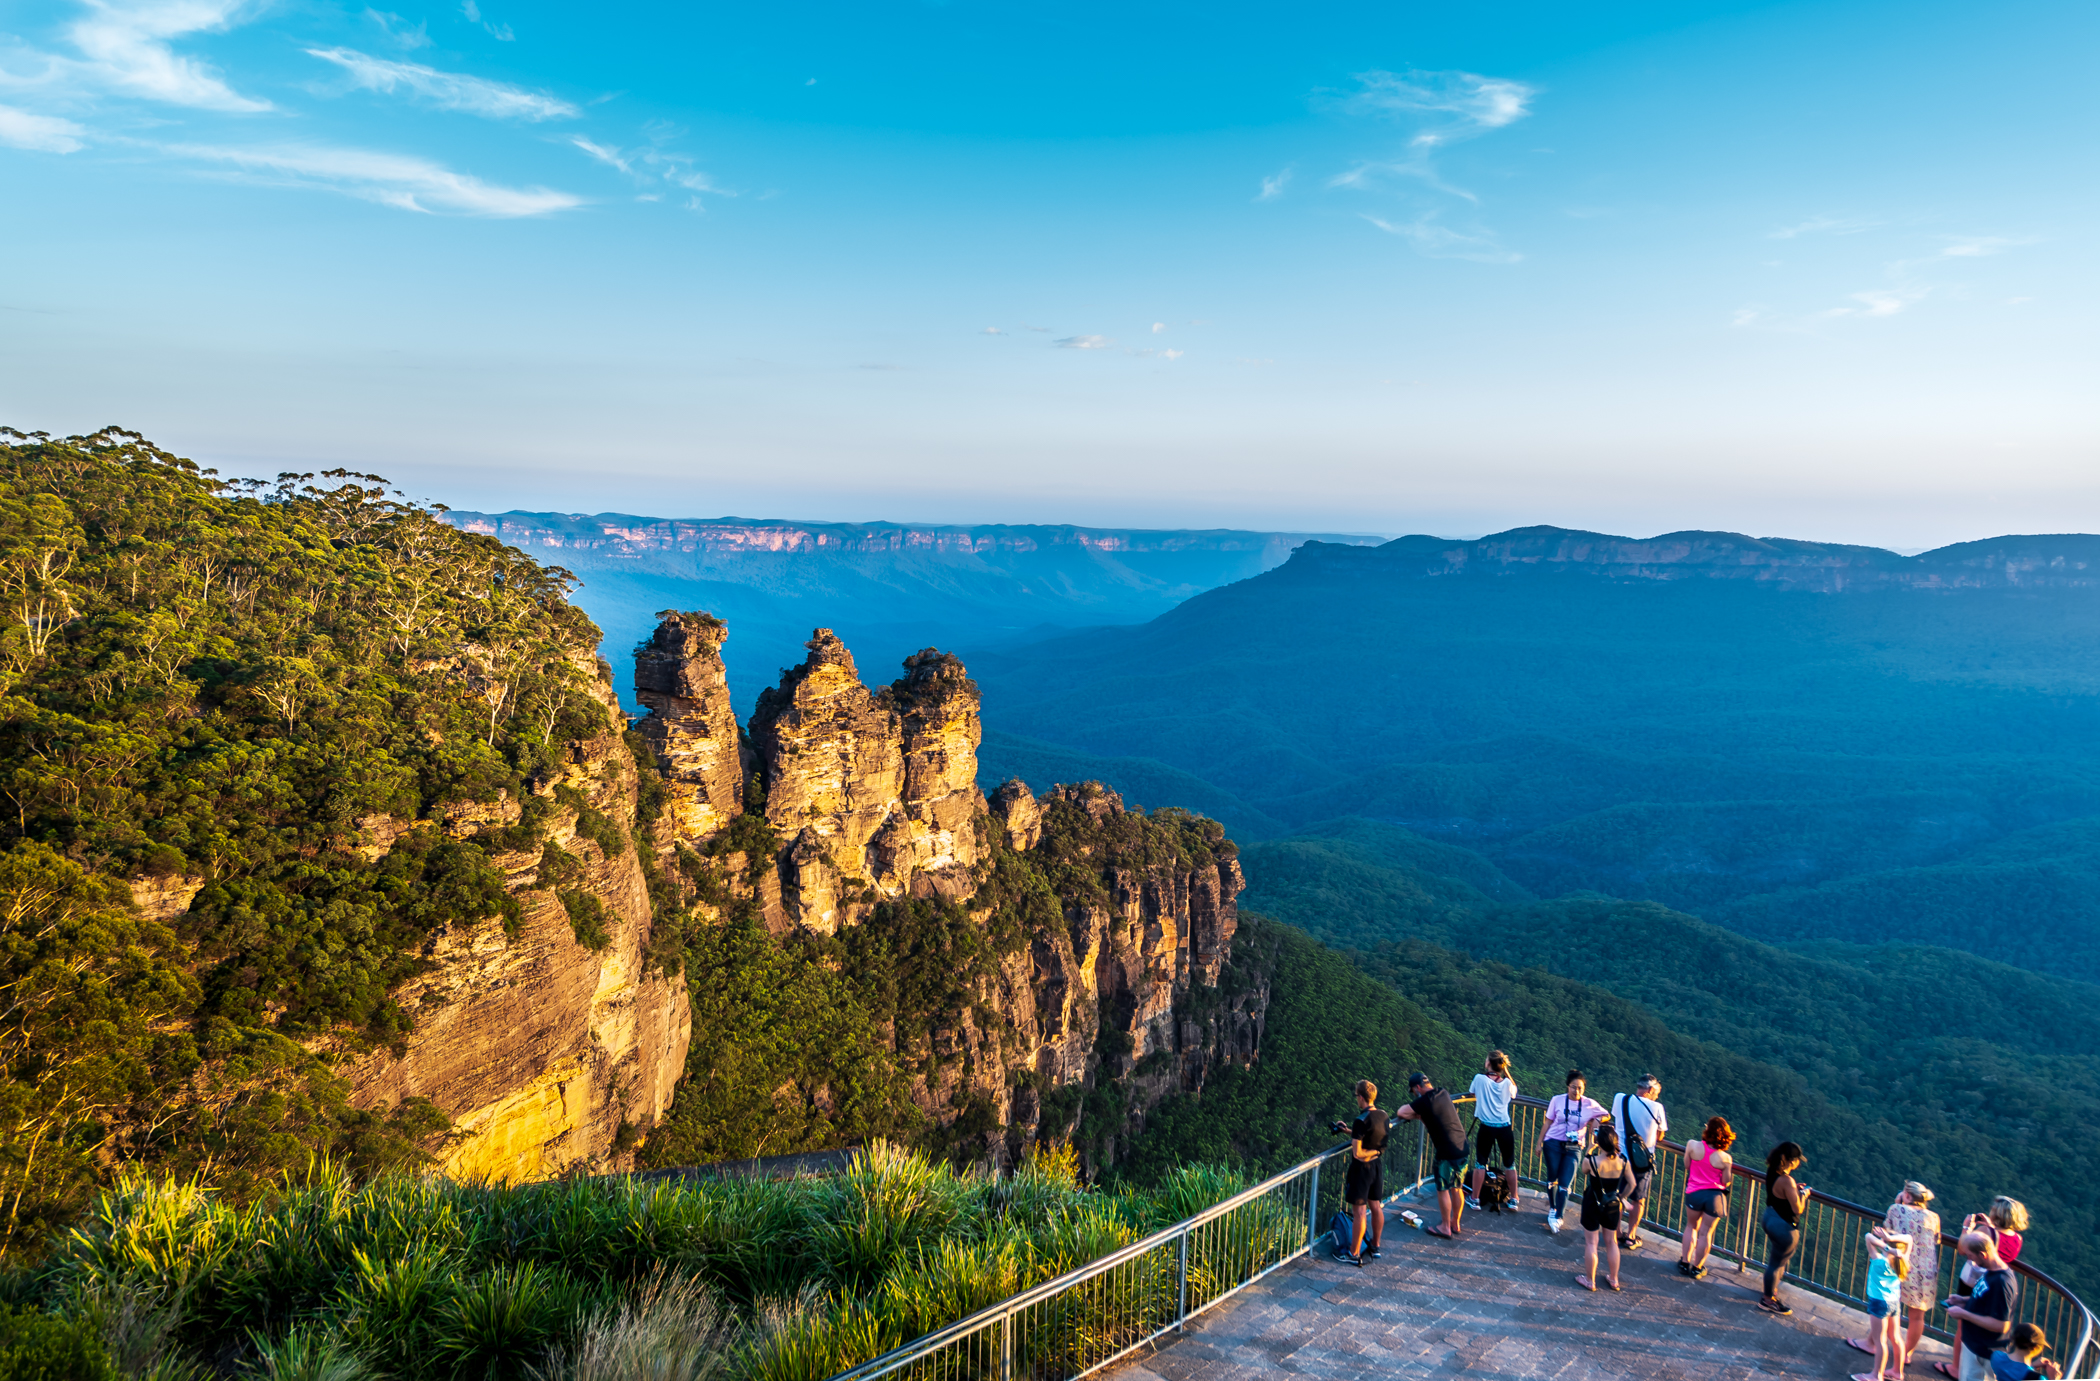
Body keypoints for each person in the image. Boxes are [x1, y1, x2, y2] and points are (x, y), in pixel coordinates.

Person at [1397, 1071, 1470, 1239]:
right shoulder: (1443, 1092)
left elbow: (1401, 1112)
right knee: (1457, 1188)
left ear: (1417, 1087)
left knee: (1443, 1189)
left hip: (1446, 1151)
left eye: (1413, 1091)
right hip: (1462, 1146)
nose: (1414, 1094)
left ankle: (1445, 1227)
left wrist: (1418, 1115)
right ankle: (1455, 1223)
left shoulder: (1425, 1101)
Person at [1943, 1230, 2018, 1381]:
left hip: (1984, 1354)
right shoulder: (1991, 1271)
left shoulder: (2002, 1283)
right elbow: (1986, 1299)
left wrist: (1964, 1314)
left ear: (1983, 1255)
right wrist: (1963, 1300)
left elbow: (2002, 1325)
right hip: (1973, 1346)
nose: (1970, 1260)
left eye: (1971, 1256)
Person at [1538, 1069, 1606, 1235]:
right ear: (1568, 1086)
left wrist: (1597, 1119)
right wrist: (1539, 1143)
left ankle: (1558, 1215)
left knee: (1564, 1183)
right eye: (1573, 1087)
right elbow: (1548, 1122)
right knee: (1552, 1178)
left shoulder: (1589, 1103)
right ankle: (1553, 1208)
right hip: (1553, 1142)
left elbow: (1606, 1114)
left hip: (1574, 1147)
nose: (1576, 1091)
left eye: (1580, 1088)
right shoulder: (1557, 1100)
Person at [1332, 1079, 1388, 1267]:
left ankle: (1354, 1253)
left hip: (1362, 1170)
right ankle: (1375, 1246)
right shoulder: (1383, 1116)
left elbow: (1358, 1153)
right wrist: (1348, 1131)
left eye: (1357, 1096)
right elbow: (1368, 1137)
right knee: (1376, 1206)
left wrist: (1373, 1152)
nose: (1356, 1099)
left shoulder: (1360, 1120)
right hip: (1376, 1168)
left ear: (1362, 1097)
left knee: (1359, 1212)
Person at [1610, 1075, 1667, 1251]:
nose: (1657, 1096)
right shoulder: (1657, 1107)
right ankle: (1631, 1236)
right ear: (1650, 1090)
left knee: (1618, 1195)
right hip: (1641, 1162)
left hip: (1620, 1157)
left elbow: (1616, 1119)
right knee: (1638, 1199)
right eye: (1656, 1092)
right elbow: (1660, 1135)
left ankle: (1616, 1232)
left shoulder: (1620, 1098)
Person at [1850, 1225, 1913, 1381]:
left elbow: (1867, 1236)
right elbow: (1909, 1239)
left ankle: (1876, 1375)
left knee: (1880, 1341)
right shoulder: (1903, 1261)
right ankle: (1897, 1372)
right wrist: (1891, 1241)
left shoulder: (1879, 1261)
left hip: (1879, 1303)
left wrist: (1887, 1246)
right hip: (1894, 1302)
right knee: (1896, 1337)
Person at [1573, 1124, 1631, 1291]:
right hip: (1612, 1204)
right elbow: (1632, 1184)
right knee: (1612, 1242)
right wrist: (1620, 1197)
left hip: (1593, 1202)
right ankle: (1614, 1279)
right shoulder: (1623, 1162)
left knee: (1591, 1243)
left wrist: (1589, 1150)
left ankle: (1590, 1281)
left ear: (1599, 1142)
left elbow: (1584, 1170)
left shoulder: (1591, 1161)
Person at [1677, 1116, 1735, 1279]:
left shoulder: (1692, 1145)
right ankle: (1697, 1268)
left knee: (1691, 1227)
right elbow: (1726, 1181)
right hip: (1714, 1198)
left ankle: (1684, 1262)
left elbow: (1687, 1165)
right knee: (1705, 1233)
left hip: (1694, 1193)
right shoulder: (1725, 1158)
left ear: (1707, 1130)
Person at [1758, 1140, 1811, 1314]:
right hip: (1783, 1226)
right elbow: (1798, 1208)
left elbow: (1780, 1193)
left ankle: (1770, 1290)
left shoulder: (1772, 1171)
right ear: (1790, 1161)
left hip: (1769, 1217)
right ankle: (1768, 1300)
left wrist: (1794, 1190)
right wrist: (1803, 1194)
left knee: (1775, 1260)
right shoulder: (1787, 1180)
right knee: (1777, 1264)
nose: (1798, 1163)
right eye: (1797, 1160)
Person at [1468, 1050, 1519, 1212]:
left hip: (1487, 1127)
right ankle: (1514, 1199)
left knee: (1481, 1163)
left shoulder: (1479, 1079)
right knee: (1509, 1164)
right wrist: (1506, 1072)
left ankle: (1475, 1199)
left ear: (1489, 1063)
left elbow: (1471, 1092)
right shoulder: (1507, 1083)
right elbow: (1514, 1093)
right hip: (1504, 1127)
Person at [1992, 1323, 2063, 1381]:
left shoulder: (1996, 1357)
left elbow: (2014, 1370)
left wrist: (2032, 1366)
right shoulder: (2038, 1379)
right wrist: (2054, 1379)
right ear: (2036, 1347)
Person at [1990, 1197, 2029, 1265]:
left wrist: (1969, 1226)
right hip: (2001, 1271)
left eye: (1993, 1209)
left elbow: (1968, 1250)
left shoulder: (1987, 1231)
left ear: (1997, 1214)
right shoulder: (2018, 1239)